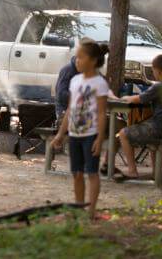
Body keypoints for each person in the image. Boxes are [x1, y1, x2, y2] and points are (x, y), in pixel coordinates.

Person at [51, 41, 109, 219]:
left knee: (92, 173)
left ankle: (91, 211)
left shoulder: (100, 83)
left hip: (90, 135)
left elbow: (101, 113)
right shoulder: (74, 80)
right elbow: (70, 109)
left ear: (92, 60)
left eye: (81, 56)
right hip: (75, 134)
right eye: (76, 56)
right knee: (76, 173)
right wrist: (61, 134)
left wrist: (99, 139)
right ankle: (79, 207)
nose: (77, 60)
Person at [118, 54, 162, 178]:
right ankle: (156, 172)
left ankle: (132, 171)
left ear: (158, 71)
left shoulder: (159, 86)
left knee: (123, 134)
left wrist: (125, 98)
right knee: (150, 131)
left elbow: (138, 99)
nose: (153, 73)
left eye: (153, 70)